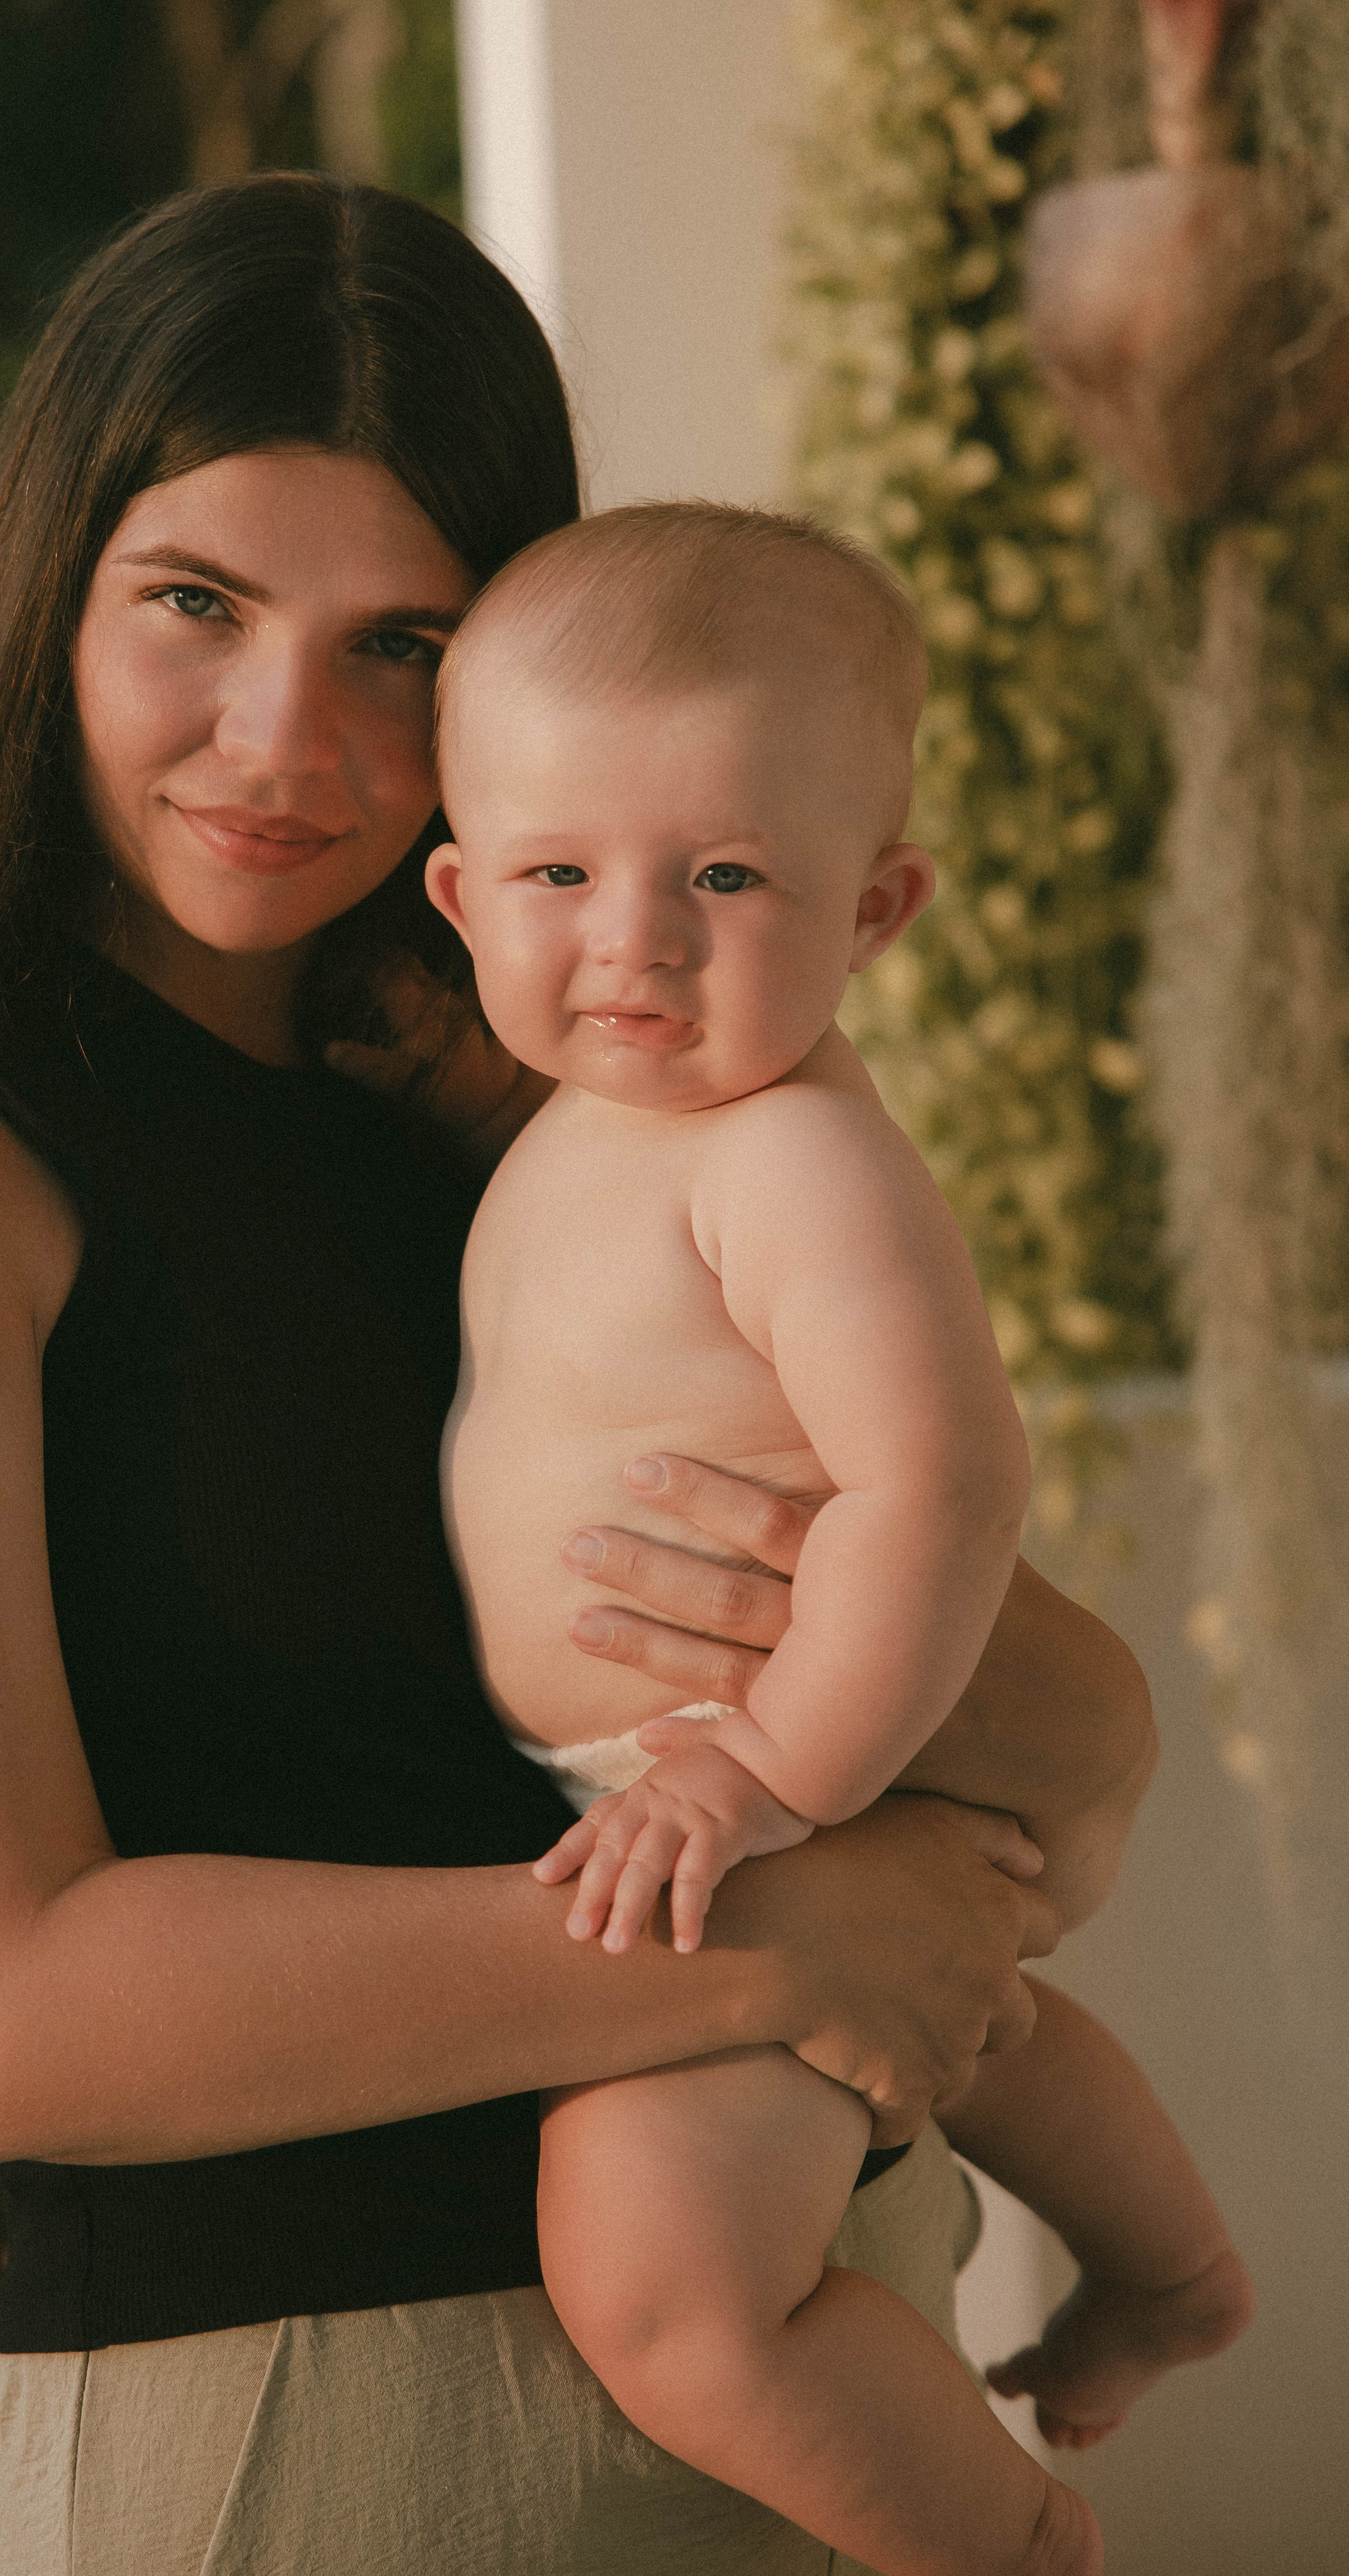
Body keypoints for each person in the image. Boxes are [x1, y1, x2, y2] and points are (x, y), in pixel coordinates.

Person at [0, 178, 1153, 2576]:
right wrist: (771, 1925)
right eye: (196, 606)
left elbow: (1069, 1753)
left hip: (832, 2352)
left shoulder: (537, 1114)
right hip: (327, 2448)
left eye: (401, 641)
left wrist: (924, 1701)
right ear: (49, 595)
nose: (285, 739)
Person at [426, 502, 1253, 2576]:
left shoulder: (791, 1158)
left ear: (876, 906)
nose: (636, 939)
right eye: (557, 875)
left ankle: (1014, 2546)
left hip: (764, 1768)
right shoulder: (578, 1123)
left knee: (662, 2294)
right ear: (457, 893)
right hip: (712, 1780)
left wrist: (775, 1769)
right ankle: (1174, 2275)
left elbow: (940, 1483)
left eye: (726, 875)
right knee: (979, 2018)